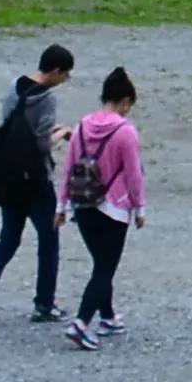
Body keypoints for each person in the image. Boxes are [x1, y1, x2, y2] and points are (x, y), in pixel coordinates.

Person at [0, 42, 76, 325]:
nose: (65, 80)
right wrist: (61, 133)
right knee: (48, 241)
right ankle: (44, 305)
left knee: (8, 238)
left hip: (7, 178)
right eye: (65, 74)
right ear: (55, 70)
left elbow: (12, 127)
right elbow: (40, 143)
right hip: (35, 181)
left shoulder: (14, 87)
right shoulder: (47, 99)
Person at [61, 66, 146, 348]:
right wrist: (139, 208)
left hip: (82, 203)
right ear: (124, 101)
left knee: (100, 262)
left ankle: (108, 316)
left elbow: (68, 167)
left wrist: (62, 205)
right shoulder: (126, 132)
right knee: (105, 268)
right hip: (114, 208)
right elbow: (134, 174)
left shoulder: (82, 126)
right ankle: (82, 322)